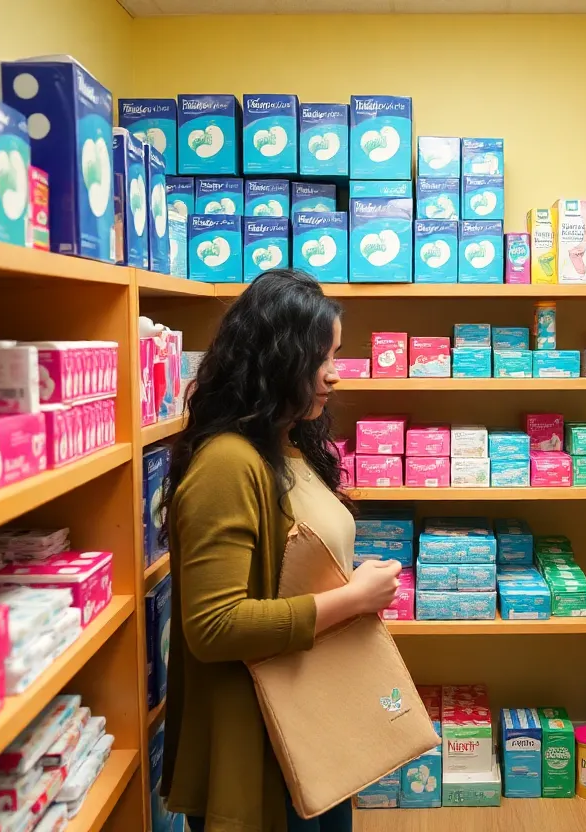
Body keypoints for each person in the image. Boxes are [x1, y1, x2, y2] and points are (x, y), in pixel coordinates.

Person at [158, 269, 403, 832]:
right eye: (322, 359)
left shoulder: (288, 444)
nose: (336, 376)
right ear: (276, 360)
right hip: (263, 739)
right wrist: (356, 599)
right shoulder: (227, 463)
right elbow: (214, 627)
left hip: (311, 722)